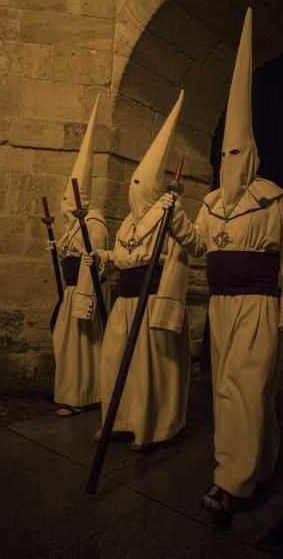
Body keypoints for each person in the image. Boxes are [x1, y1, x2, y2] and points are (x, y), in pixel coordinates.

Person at [160, 8, 283, 519]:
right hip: (220, 308)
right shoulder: (211, 204)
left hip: (258, 306)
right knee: (231, 388)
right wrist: (175, 215)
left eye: (238, 153)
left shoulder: (275, 202)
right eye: (224, 152)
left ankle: (230, 483)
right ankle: (257, 462)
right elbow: (198, 245)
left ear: (253, 156)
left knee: (246, 384)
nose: (230, 161)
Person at [90, 91, 191, 450]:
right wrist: (102, 256)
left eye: (139, 184)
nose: (135, 189)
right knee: (115, 359)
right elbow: (123, 256)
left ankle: (151, 428)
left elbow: (187, 250)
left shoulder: (169, 212)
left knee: (149, 367)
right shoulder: (129, 224)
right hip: (124, 302)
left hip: (151, 302)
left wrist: (176, 219)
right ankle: (118, 419)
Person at [49, 95, 109, 416]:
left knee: (81, 348)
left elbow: (93, 262)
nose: (62, 209)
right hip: (73, 292)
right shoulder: (76, 226)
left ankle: (82, 395)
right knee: (67, 345)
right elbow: (72, 253)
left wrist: (85, 298)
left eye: (67, 204)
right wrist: (59, 250)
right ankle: (73, 392)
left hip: (83, 295)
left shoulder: (94, 225)